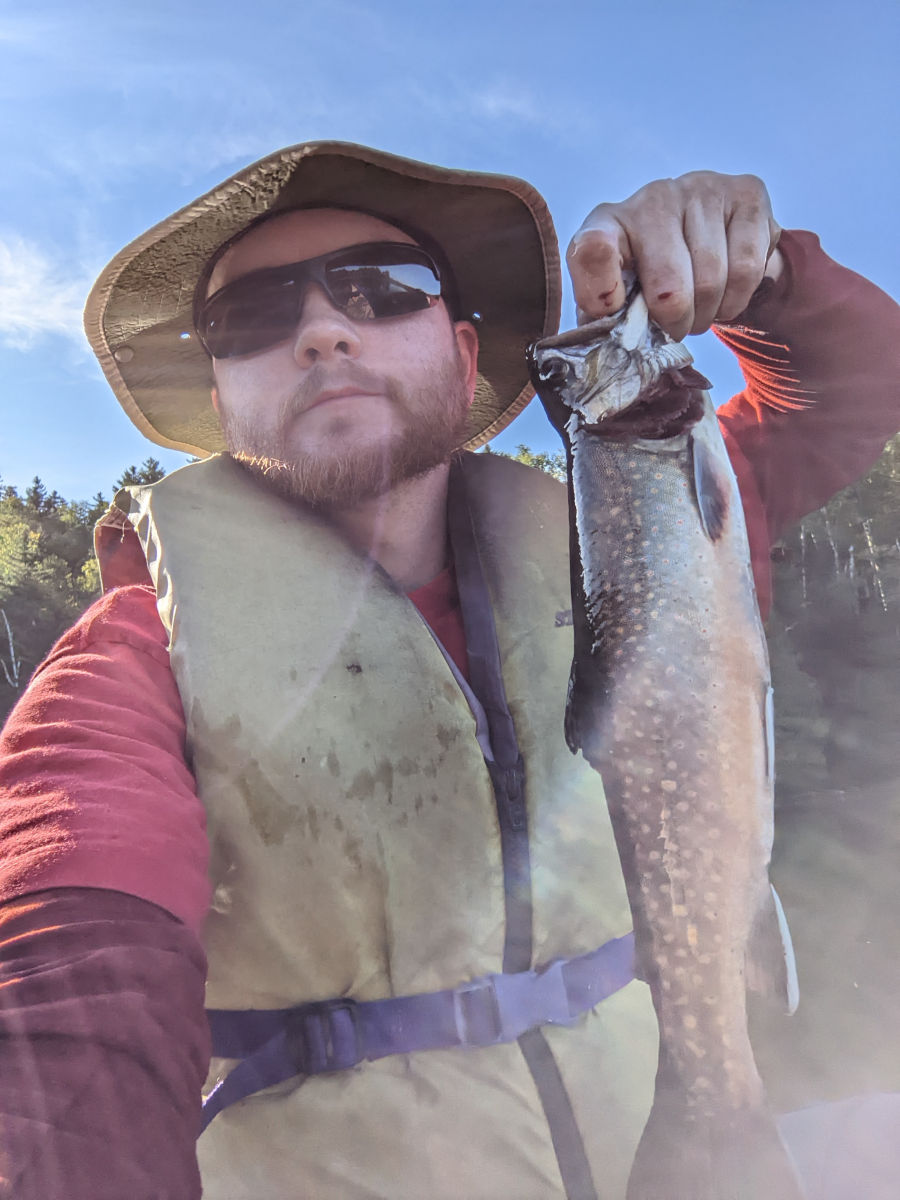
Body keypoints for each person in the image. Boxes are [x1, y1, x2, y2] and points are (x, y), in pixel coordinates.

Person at [0, 141, 897, 1200]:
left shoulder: (648, 516)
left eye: (385, 290)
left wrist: (762, 273)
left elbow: (861, 381)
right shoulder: (127, 661)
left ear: (467, 355)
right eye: (255, 316)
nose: (323, 330)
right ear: (221, 395)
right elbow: (59, 980)